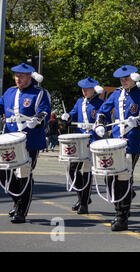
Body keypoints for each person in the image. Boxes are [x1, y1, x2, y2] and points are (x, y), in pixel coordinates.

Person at [0, 63, 50, 223]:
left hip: (30, 141)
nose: (18, 78)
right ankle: (17, 200)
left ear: (29, 77)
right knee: (3, 172)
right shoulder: (10, 92)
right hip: (10, 139)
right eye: (16, 76)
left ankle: (21, 211)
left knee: (24, 174)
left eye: (21, 76)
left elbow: (44, 111)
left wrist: (38, 120)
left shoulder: (39, 93)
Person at [94, 65, 140, 231]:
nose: (124, 82)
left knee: (123, 179)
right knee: (110, 178)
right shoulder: (116, 94)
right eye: (121, 80)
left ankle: (122, 216)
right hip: (115, 143)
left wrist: (137, 122)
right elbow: (102, 111)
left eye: (126, 79)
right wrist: (99, 124)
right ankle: (121, 206)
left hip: (132, 143)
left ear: (134, 78)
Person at [61, 77, 104, 214]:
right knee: (72, 170)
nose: (84, 91)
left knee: (86, 172)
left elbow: (104, 118)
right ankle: (81, 197)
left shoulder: (100, 104)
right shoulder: (80, 102)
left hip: (92, 140)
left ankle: (84, 203)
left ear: (93, 89)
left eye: (87, 89)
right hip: (79, 141)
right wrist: (68, 116)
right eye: (82, 89)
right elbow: (74, 114)